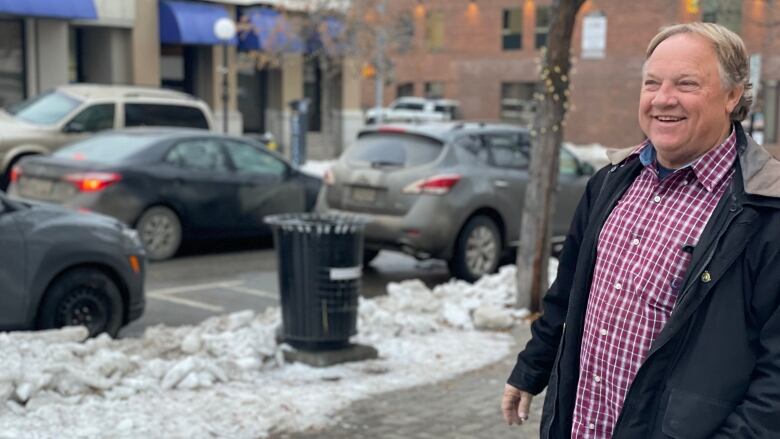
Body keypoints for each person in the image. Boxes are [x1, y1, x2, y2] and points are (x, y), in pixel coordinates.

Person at [501, 22, 780, 438]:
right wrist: (531, 368)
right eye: (652, 83)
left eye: (686, 83)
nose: (663, 99)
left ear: (733, 94)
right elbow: (568, 292)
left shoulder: (765, 210)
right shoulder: (612, 181)